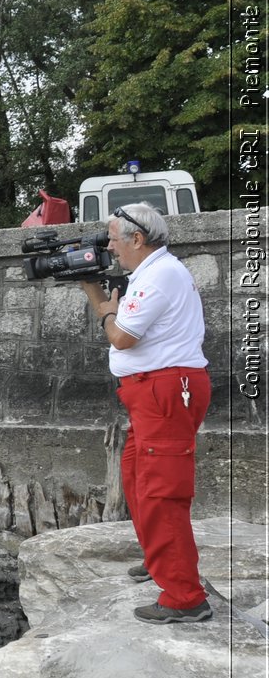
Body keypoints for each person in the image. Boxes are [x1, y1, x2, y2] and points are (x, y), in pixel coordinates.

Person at [78, 204, 212, 624]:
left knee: (161, 493)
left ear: (137, 239)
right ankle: (161, 564)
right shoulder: (152, 272)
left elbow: (122, 338)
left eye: (114, 238)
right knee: (136, 476)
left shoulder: (159, 275)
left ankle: (185, 597)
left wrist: (96, 298)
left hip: (166, 392)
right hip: (154, 394)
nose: (110, 247)